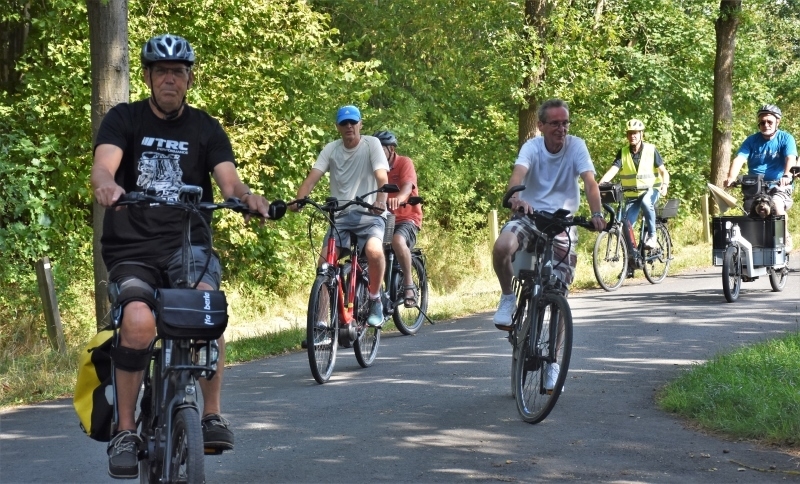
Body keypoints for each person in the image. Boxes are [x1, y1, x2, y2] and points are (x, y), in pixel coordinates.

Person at [91, 34, 275, 479]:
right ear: (148, 77)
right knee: (138, 322)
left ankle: (211, 415)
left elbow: (230, 182)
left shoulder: (205, 128)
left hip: (187, 245)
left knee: (205, 308)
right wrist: (107, 184)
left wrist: (248, 198)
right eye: (161, 72)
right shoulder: (124, 119)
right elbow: (103, 166)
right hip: (132, 248)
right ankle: (126, 430)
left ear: (189, 79)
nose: (169, 79)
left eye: (178, 72)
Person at [492, 98, 605, 334]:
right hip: (530, 216)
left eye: (565, 123)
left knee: (559, 293)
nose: (561, 129)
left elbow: (589, 182)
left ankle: (556, 354)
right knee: (502, 247)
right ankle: (508, 297)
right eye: (555, 123)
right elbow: (518, 175)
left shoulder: (576, 146)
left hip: (562, 223)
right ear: (541, 125)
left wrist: (597, 213)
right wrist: (515, 198)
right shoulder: (532, 147)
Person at [292, 105, 390, 327]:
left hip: (370, 213)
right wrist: (299, 200)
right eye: (344, 123)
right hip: (341, 217)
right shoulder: (331, 149)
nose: (349, 127)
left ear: (360, 124)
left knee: (374, 251)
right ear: (337, 127)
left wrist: (380, 201)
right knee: (324, 265)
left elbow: (382, 178)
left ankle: (375, 298)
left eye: (353, 122)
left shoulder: (371, 144)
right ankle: (321, 322)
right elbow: (311, 179)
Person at [724, 104, 797, 247]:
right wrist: (731, 177)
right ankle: (752, 246)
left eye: (769, 122)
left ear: (777, 122)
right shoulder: (751, 140)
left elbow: (791, 158)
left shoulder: (786, 138)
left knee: (776, 205)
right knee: (749, 210)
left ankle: (784, 237)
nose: (766, 125)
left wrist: (787, 175)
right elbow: (739, 159)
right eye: (762, 122)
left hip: (779, 185)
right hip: (755, 186)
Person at [598, 118, 669, 250]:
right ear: (627, 135)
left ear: (642, 134)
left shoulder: (651, 150)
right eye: (630, 133)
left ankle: (652, 236)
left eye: (635, 133)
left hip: (651, 190)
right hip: (632, 195)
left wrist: (664, 185)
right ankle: (631, 258)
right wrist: (600, 184)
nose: (632, 136)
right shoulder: (623, 152)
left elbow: (663, 171)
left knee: (646, 202)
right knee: (626, 225)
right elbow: (613, 170)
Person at [373, 130, 423, 307]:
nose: (377, 154)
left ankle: (409, 285)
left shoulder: (404, 162)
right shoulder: (374, 168)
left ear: (391, 149)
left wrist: (399, 198)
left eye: (381, 149)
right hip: (384, 219)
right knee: (371, 247)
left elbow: (408, 186)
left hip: (407, 218)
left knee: (398, 241)